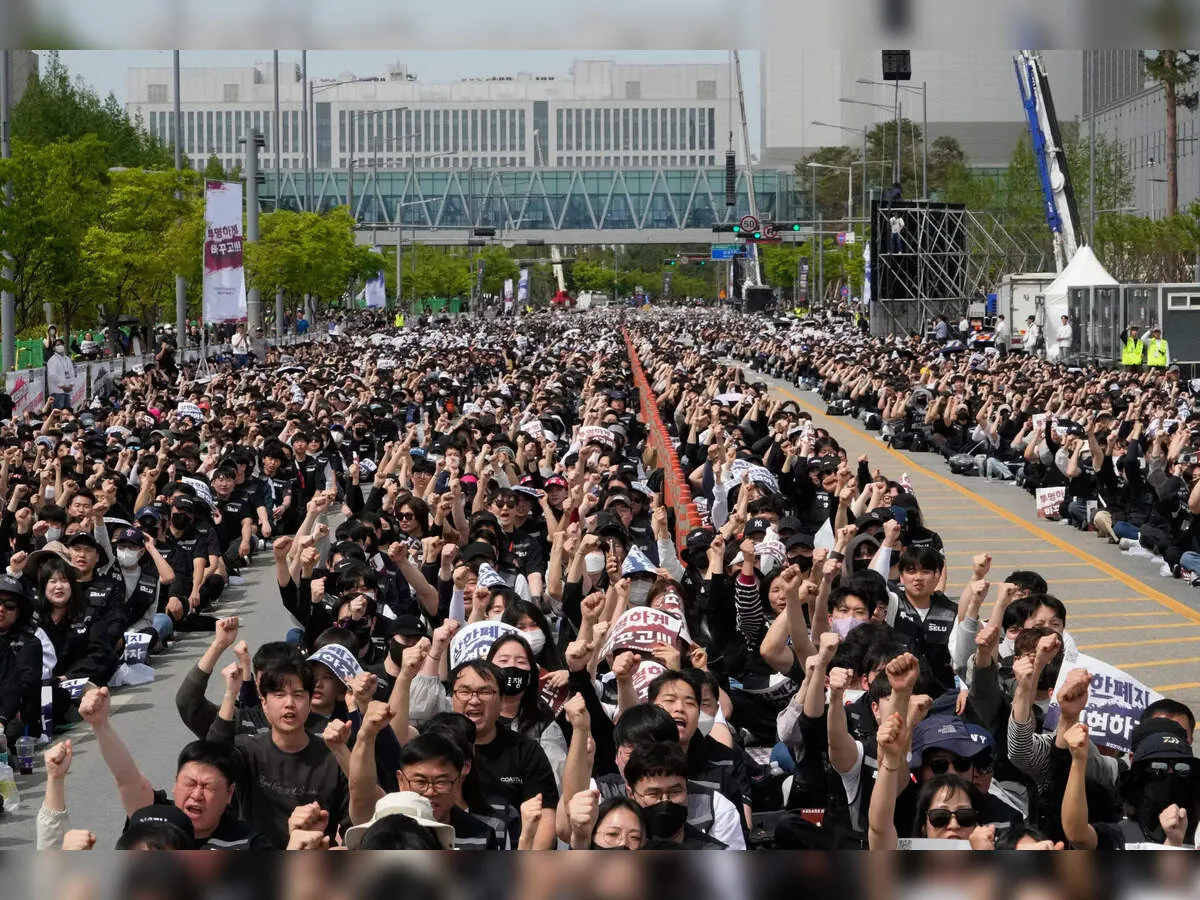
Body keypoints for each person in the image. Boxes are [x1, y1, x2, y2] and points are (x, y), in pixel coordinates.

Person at [46, 337, 76, 410]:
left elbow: (72, 372)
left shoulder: (67, 359)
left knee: (67, 411)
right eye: (58, 345)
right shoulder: (52, 360)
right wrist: (63, 386)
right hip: (57, 391)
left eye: (62, 344)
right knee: (58, 412)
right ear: (54, 348)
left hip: (68, 391)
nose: (60, 346)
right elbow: (52, 376)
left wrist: (71, 384)